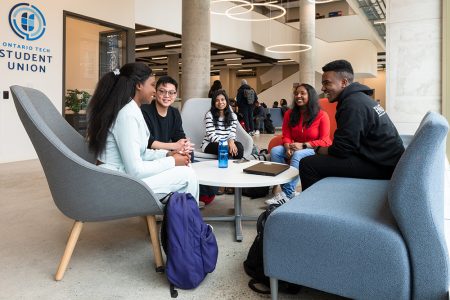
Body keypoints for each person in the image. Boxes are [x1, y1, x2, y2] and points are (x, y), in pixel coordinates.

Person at [86, 63, 199, 201]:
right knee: (188, 175)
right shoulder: (127, 114)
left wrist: (168, 154)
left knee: (186, 171)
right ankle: (188, 221)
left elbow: (142, 153)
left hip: (123, 175)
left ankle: (181, 219)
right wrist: (172, 161)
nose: (154, 90)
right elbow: (136, 170)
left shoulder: (132, 109)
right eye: (152, 85)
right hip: (117, 182)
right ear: (139, 85)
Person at [300, 59, 405, 190]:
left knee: (308, 164)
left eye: (327, 83)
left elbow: (342, 150)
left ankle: (312, 207)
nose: (322, 88)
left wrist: (318, 149)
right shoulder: (360, 98)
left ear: (344, 82)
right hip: (386, 160)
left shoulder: (352, 104)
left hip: (383, 167)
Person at [265, 83, 332, 206]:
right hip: (293, 146)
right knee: (275, 151)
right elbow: (286, 134)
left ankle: (287, 193)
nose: (298, 96)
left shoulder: (322, 115)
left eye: (302, 93)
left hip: (314, 148)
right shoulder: (289, 113)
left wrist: (304, 145)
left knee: (298, 155)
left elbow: (325, 140)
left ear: (310, 96)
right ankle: (288, 193)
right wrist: (287, 146)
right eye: (296, 93)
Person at [141, 76, 193, 153]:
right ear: (155, 92)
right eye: (162, 91)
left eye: (171, 92)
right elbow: (147, 141)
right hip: (149, 154)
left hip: (166, 152)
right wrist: (174, 146)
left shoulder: (174, 113)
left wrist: (184, 144)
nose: (167, 96)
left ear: (175, 95)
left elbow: (179, 135)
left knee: (188, 153)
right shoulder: (144, 111)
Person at [201, 89, 244, 159]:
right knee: (224, 148)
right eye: (217, 100)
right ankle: (223, 167)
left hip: (227, 143)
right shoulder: (209, 115)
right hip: (210, 144)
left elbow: (232, 133)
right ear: (214, 103)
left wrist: (231, 141)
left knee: (239, 147)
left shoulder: (233, 116)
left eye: (222, 99)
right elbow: (211, 136)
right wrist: (227, 143)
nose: (220, 102)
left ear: (226, 101)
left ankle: (234, 167)